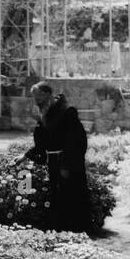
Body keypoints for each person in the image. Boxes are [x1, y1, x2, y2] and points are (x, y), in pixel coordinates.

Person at [26, 81, 94, 236]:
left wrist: (66, 165)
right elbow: (43, 143)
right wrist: (26, 156)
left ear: (46, 94)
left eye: (36, 95)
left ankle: (78, 231)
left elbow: (76, 142)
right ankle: (62, 231)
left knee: (72, 195)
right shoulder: (47, 115)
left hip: (68, 163)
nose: (35, 99)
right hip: (54, 162)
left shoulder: (67, 112)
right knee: (58, 196)